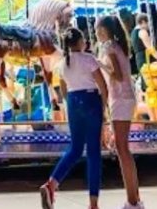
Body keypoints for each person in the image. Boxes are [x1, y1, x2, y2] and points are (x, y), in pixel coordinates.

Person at [38, 27, 109, 209]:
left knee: (75, 149)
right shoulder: (89, 59)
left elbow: (62, 89)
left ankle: (52, 184)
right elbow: (103, 86)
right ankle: (93, 203)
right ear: (80, 42)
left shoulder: (62, 64)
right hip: (91, 100)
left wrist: (70, 103)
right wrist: (105, 110)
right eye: (84, 39)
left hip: (73, 102)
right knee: (93, 152)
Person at [95, 15, 143, 209]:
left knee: (122, 149)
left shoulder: (108, 47)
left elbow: (118, 74)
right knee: (123, 149)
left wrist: (99, 65)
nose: (97, 33)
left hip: (120, 98)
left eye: (99, 29)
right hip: (126, 98)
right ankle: (134, 197)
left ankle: (132, 200)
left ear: (106, 30)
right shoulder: (118, 45)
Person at [130, 13, 155, 84]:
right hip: (145, 58)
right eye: (148, 22)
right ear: (143, 22)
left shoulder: (133, 32)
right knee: (150, 81)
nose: (149, 26)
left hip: (139, 59)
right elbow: (150, 48)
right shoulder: (142, 31)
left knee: (145, 81)